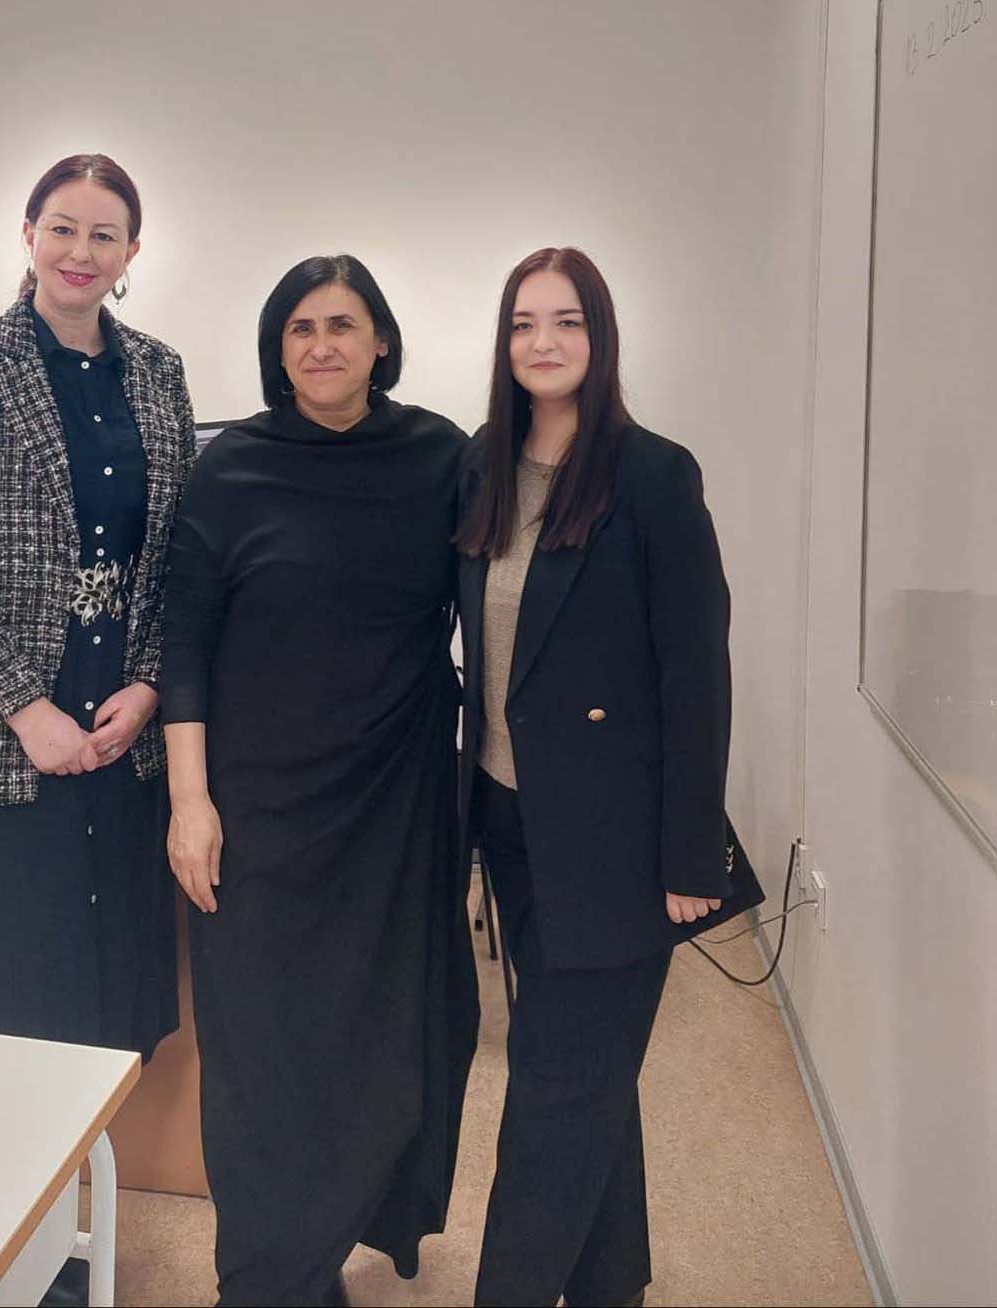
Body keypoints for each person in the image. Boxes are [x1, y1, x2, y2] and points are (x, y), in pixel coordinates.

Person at [160, 254, 480, 1307]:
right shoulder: (230, 467)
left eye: (342, 324)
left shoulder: (440, 457)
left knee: (381, 1037)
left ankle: (327, 1241)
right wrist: (189, 802)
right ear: (276, 349)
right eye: (299, 328)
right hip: (256, 804)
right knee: (260, 1048)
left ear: (380, 340)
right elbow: (185, 643)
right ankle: (270, 1276)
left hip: (394, 798)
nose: (322, 345)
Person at [456, 246, 765, 1308]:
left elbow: (696, 674)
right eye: (523, 323)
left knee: (552, 1087)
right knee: (585, 1071)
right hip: (509, 820)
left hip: (620, 841)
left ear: (601, 336)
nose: (542, 342)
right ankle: (610, 1280)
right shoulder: (483, 467)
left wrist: (690, 856)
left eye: (567, 321)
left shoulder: (653, 476)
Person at [0, 152, 193, 1086]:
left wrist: (150, 683)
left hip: (115, 730)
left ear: (131, 251)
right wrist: (24, 708)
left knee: (96, 1003)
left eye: (103, 234)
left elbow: (177, 551)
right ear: (28, 235)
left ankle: (81, 1178)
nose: (80, 252)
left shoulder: (158, 372)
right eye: (62, 228)